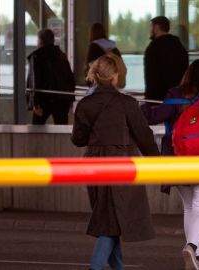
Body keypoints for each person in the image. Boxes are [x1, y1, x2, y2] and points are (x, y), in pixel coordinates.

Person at [141, 59, 199, 270]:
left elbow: (154, 117)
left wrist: (142, 106)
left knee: (189, 207)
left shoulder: (175, 95)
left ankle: (197, 257)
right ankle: (192, 248)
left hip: (177, 159)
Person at [71, 53, 160, 270]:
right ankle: (96, 266)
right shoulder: (127, 103)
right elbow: (144, 135)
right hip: (121, 164)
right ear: (115, 76)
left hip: (93, 164)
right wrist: (158, 162)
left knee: (110, 220)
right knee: (111, 223)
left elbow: (78, 139)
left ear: (96, 75)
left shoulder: (85, 104)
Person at [27, 29, 75, 125]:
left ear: (41, 41)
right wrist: (69, 98)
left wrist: (35, 103)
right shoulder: (61, 55)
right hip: (61, 99)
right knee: (61, 128)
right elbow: (69, 77)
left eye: (38, 40)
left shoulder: (37, 56)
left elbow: (34, 80)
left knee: (36, 128)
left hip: (43, 99)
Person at [144, 16, 189, 101]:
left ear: (156, 28)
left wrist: (150, 101)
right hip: (178, 99)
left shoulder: (153, 48)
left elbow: (151, 78)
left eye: (151, 26)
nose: (149, 30)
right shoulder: (179, 47)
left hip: (159, 100)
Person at [85, 23, 126, 89]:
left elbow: (90, 68)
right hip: (114, 84)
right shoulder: (113, 47)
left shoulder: (93, 47)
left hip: (99, 86)